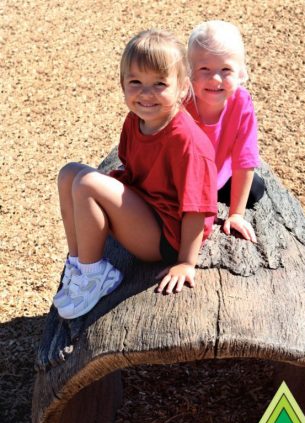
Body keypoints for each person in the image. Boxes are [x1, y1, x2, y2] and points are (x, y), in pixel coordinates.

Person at [53, 29, 218, 320]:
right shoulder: (135, 120)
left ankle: (96, 275)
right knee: (69, 174)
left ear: (182, 87)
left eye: (159, 84)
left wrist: (186, 263)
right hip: (147, 209)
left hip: (169, 235)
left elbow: (197, 210)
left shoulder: (188, 143)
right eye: (136, 82)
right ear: (123, 84)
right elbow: (133, 169)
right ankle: (78, 264)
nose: (145, 93)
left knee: (88, 182)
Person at [186, 20, 264, 243]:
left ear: (241, 73)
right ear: (189, 71)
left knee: (256, 189)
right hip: (186, 178)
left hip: (219, 174)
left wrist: (236, 214)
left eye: (226, 70)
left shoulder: (241, 102)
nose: (216, 79)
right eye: (204, 69)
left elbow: (244, 159)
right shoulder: (182, 102)